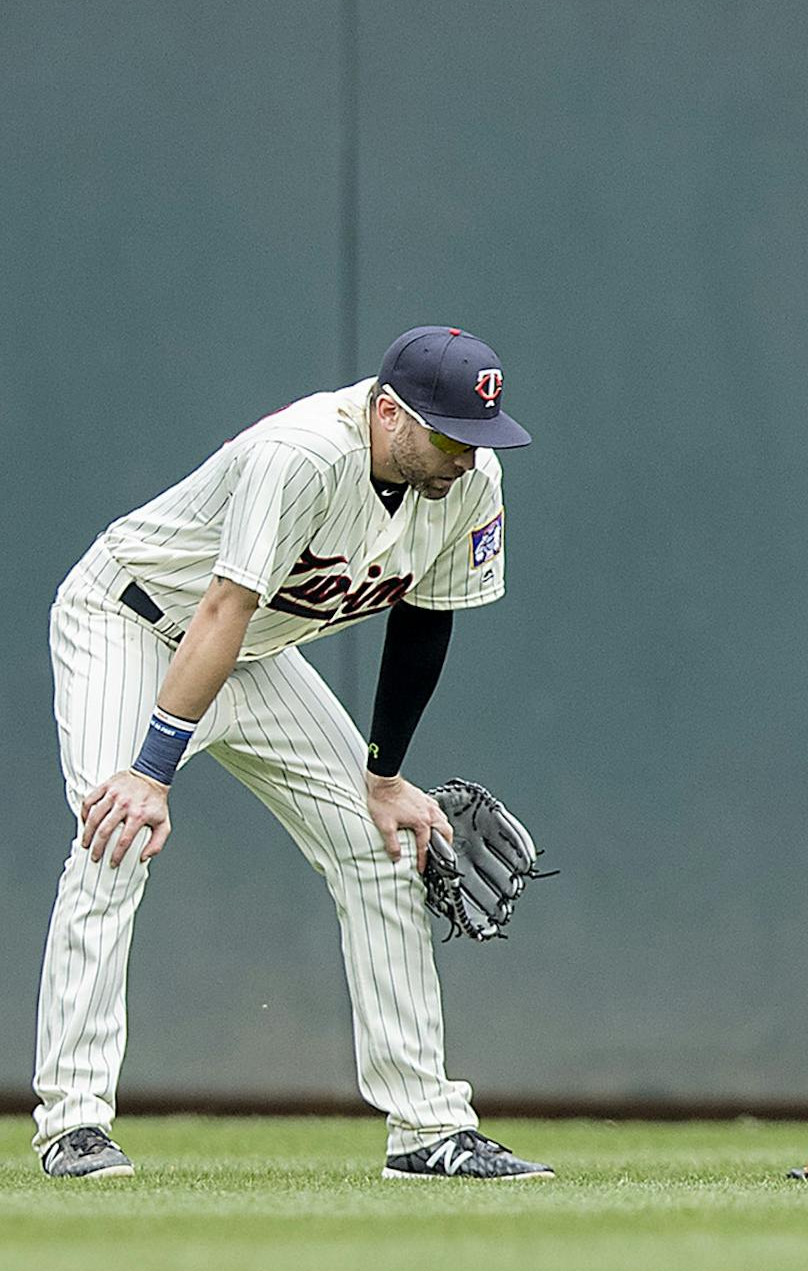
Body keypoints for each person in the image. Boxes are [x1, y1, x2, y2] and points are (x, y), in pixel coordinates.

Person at [33, 326, 553, 1182]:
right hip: (132, 620)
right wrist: (150, 771)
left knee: (384, 845)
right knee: (114, 836)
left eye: (482, 434)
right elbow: (222, 606)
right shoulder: (303, 455)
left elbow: (428, 617)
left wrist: (383, 779)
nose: (470, 454)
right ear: (389, 414)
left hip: (254, 650)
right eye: (451, 434)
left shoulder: (470, 479)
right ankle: (74, 1123)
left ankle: (428, 1130)